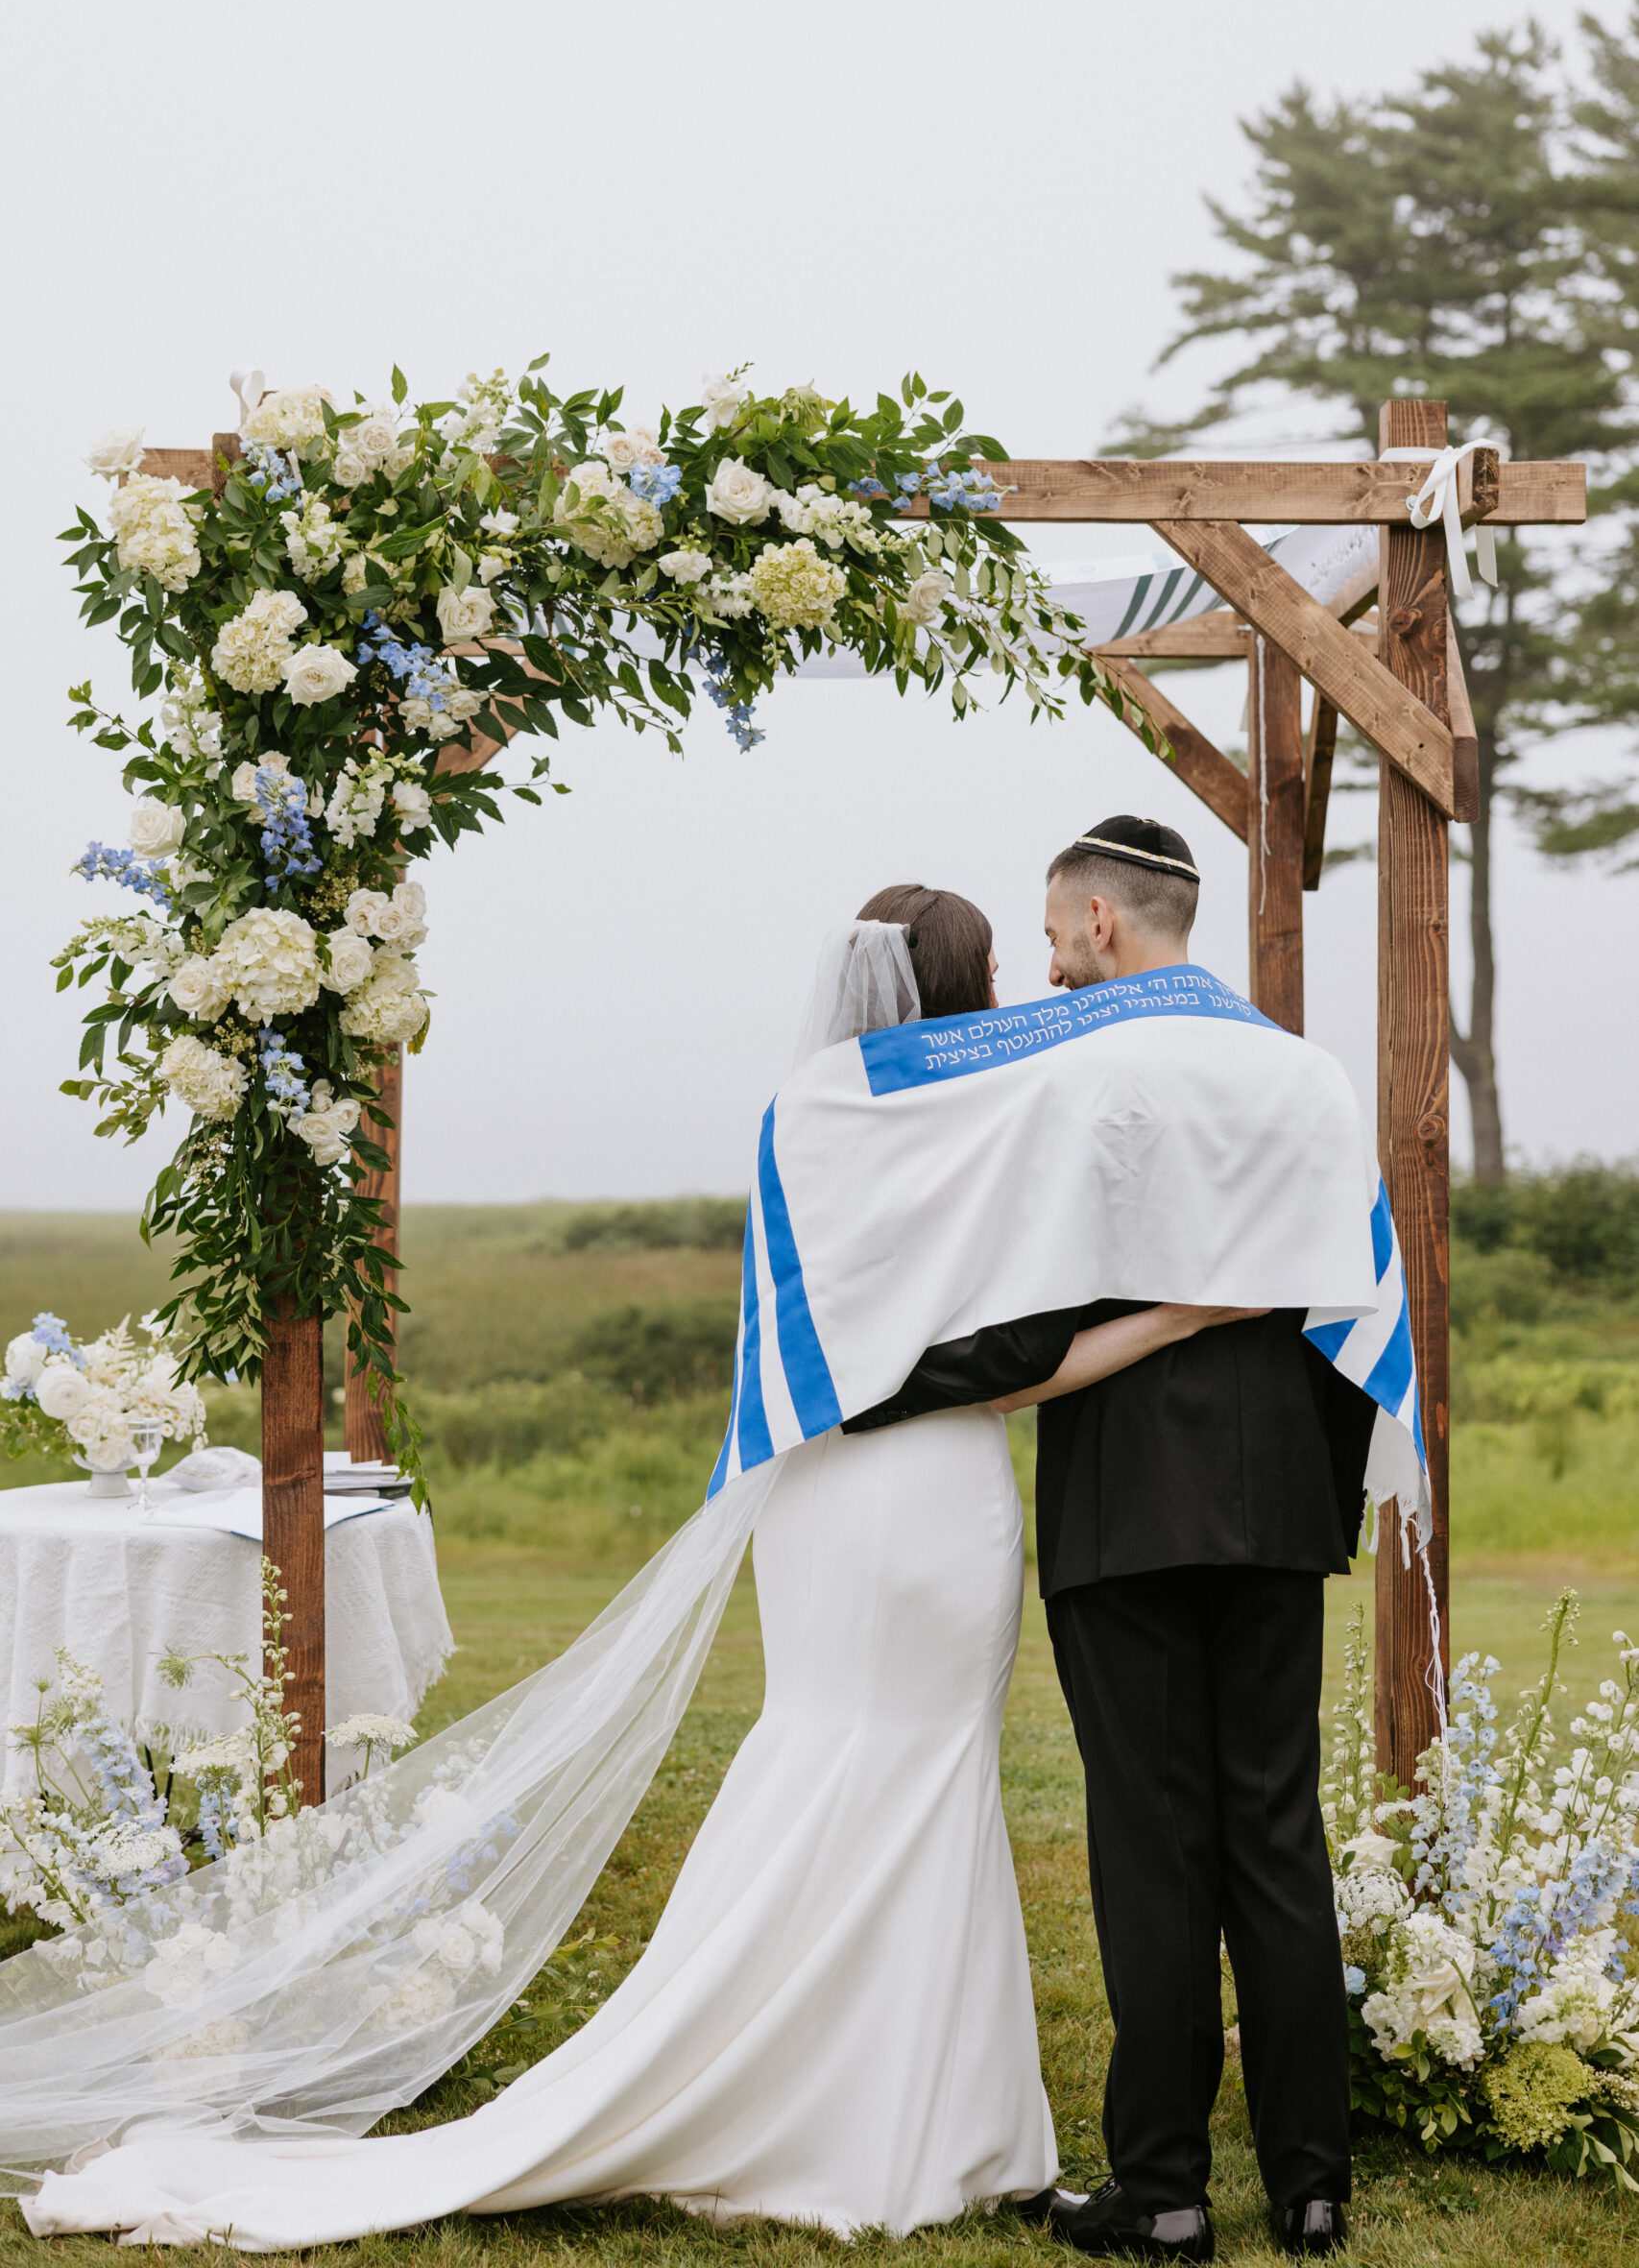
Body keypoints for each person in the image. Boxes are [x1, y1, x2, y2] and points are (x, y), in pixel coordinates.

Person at [16, 885, 1241, 2252]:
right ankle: (913, 2120)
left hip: (827, 1494)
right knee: (916, 1769)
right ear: (960, 987)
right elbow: (1014, 1358)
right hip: (941, 1499)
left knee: (851, 1752)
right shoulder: (992, 1129)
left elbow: (862, 1348)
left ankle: (899, 2102)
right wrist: (1186, 1309)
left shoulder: (808, 1119)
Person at [847, 820, 1370, 2263]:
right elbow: (1352, 1308)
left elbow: (1025, 1320)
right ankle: (1314, 2186)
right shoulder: (1304, 1069)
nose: (1055, 955)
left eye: (1057, 931)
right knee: (1276, 1836)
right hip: (1276, 1499)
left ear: (1097, 918)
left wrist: (883, 1380)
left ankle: (1165, 2191)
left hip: (1126, 1502)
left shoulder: (1075, 1070)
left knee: (1152, 1844)